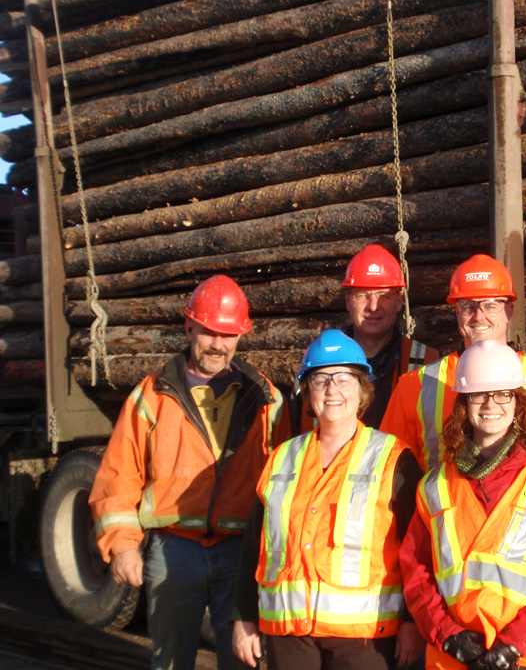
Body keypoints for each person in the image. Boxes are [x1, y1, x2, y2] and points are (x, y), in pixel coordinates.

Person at [89, 274, 291, 670]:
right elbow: (119, 472)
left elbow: (283, 484)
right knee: (170, 662)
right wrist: (123, 545)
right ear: (189, 326)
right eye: (209, 331)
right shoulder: (154, 394)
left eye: (228, 334)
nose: (218, 344)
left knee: (242, 661)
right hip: (174, 549)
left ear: (241, 336)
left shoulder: (265, 397)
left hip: (240, 551)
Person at [231, 329, 425, 670]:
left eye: (344, 379)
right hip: (289, 635)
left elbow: (417, 548)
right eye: (320, 379)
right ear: (307, 391)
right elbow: (255, 546)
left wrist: (412, 623)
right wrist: (244, 617)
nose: (332, 390)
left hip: (365, 640)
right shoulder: (281, 459)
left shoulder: (395, 458)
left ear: (362, 388)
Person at [400, 340, 526, 670]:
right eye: (479, 395)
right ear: (464, 405)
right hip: (454, 657)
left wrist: (515, 645)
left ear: (517, 403)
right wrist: (447, 635)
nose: (490, 404)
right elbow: (417, 572)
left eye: (503, 394)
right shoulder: (434, 487)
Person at [380, 253, 526, 472]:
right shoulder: (414, 387)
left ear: (509, 311)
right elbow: (390, 471)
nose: (479, 316)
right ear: (457, 312)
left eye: (491, 306)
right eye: (468, 306)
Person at [289, 244, 439, 431]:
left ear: (399, 301)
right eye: (362, 295)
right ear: (348, 301)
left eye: (383, 295)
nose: (373, 306)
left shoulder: (428, 362)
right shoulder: (315, 362)